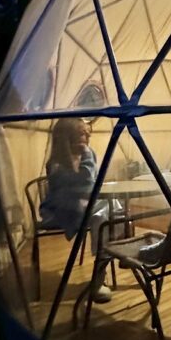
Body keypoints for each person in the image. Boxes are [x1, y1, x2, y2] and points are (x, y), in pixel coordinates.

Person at [39, 117, 113, 303]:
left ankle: (109, 259)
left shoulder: (90, 154)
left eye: (89, 133)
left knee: (112, 208)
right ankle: (100, 278)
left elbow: (91, 186)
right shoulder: (55, 163)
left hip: (84, 207)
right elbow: (88, 183)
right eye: (82, 132)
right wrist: (86, 155)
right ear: (67, 135)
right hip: (63, 210)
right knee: (102, 216)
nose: (87, 137)